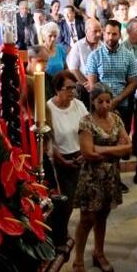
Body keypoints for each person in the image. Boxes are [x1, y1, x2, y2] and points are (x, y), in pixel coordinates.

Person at [71, 85, 132, 272]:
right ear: (93, 102)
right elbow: (88, 153)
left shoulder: (117, 119)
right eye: (100, 101)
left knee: (103, 215)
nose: (105, 105)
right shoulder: (86, 122)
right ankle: (78, 259)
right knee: (87, 218)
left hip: (110, 176)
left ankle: (99, 252)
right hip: (91, 176)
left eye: (108, 101)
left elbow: (128, 149)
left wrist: (102, 149)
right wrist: (115, 150)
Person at [48, 71, 89, 250]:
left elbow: (87, 129)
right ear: (57, 89)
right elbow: (49, 141)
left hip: (81, 156)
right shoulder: (49, 108)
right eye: (69, 88)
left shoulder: (78, 105)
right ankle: (60, 236)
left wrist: (85, 152)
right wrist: (63, 161)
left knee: (82, 203)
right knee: (66, 203)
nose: (73, 92)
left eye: (75, 88)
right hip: (61, 160)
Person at [85, 20, 137, 134]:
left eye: (114, 34)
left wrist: (116, 100)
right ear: (103, 34)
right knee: (101, 137)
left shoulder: (129, 56)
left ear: (120, 35)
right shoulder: (94, 56)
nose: (111, 37)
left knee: (122, 138)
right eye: (108, 33)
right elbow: (92, 84)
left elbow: (134, 82)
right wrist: (106, 103)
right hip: (100, 104)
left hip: (122, 103)